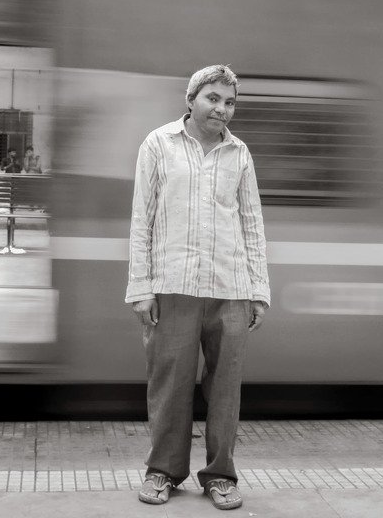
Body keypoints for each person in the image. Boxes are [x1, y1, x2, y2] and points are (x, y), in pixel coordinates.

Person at [128, 65, 269, 511]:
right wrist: (141, 287)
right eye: (213, 98)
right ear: (191, 99)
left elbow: (251, 225)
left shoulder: (240, 153)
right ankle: (163, 472)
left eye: (229, 102)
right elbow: (141, 220)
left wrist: (258, 290)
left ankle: (220, 475)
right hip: (173, 286)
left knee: (226, 389)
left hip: (230, 287)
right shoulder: (158, 144)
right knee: (170, 385)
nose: (221, 109)